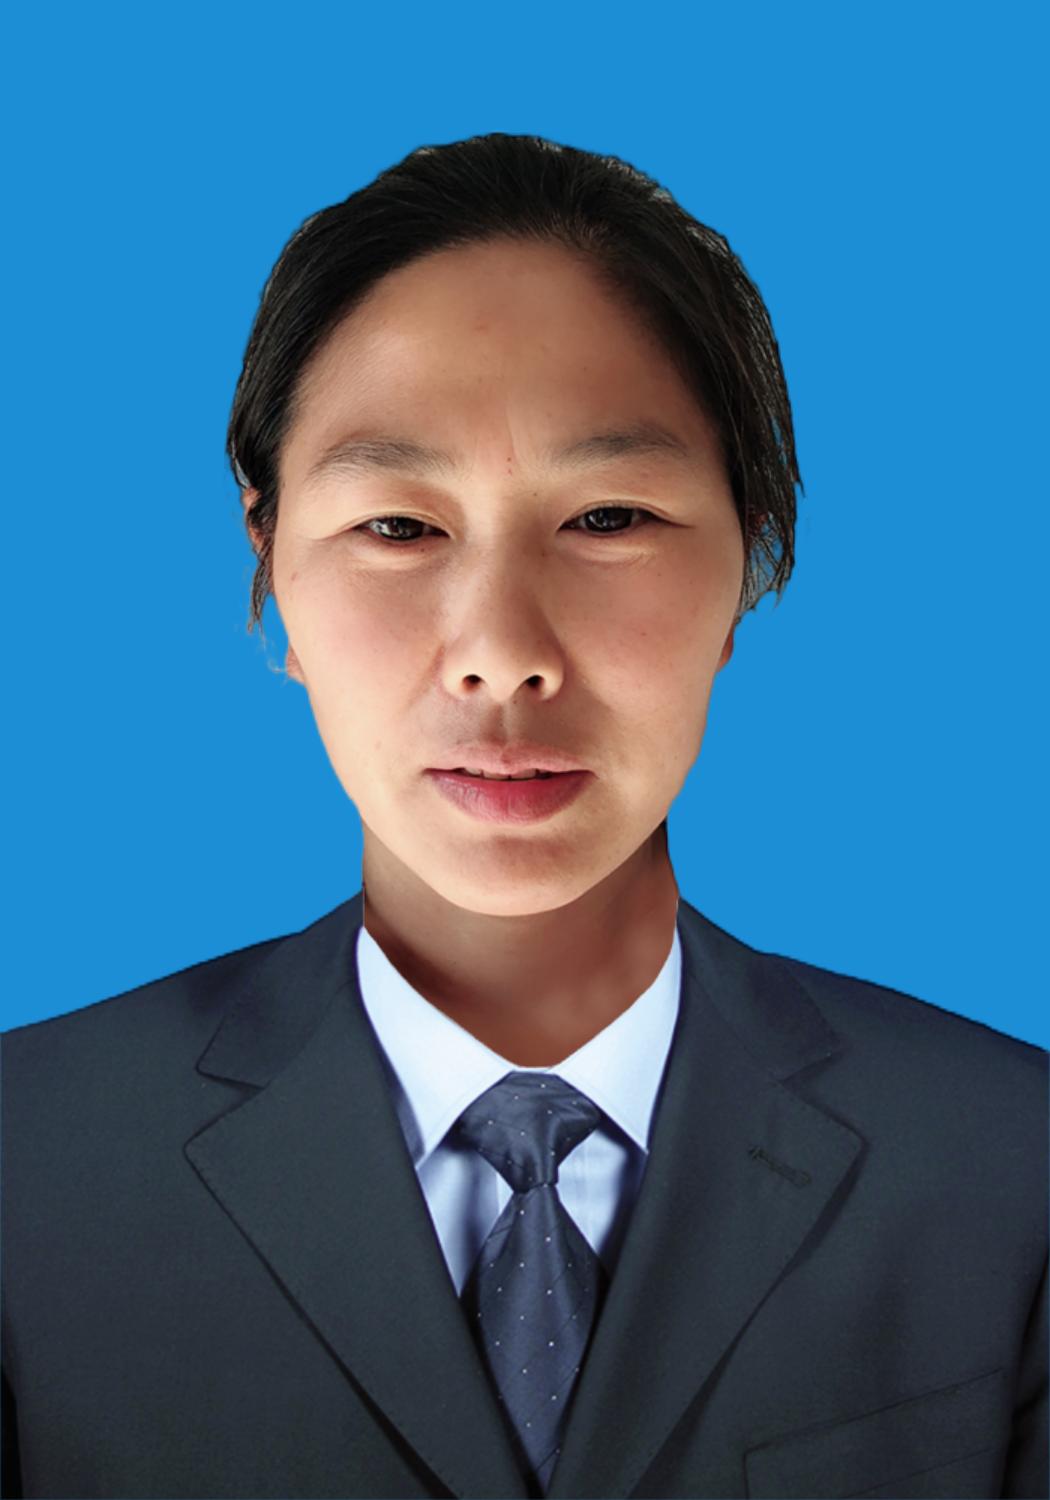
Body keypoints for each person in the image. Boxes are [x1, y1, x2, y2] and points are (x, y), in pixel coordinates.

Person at [1, 132, 1045, 1500]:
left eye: (608, 517)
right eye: (398, 527)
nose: (502, 655)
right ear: (269, 564)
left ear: (750, 561)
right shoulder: (25, 1169)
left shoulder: (1010, 1168)